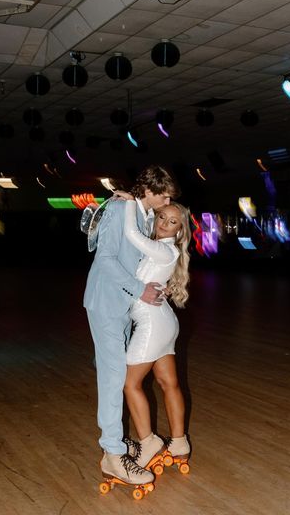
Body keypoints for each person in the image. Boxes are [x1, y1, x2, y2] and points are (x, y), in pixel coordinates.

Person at [83, 165, 180, 486]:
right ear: (149, 189)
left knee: (115, 371)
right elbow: (107, 258)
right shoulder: (121, 208)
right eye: (164, 193)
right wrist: (142, 290)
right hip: (107, 302)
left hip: (126, 307)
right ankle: (112, 454)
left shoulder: (145, 215)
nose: (167, 200)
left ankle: (120, 441)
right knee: (114, 377)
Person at [114, 191, 192, 472]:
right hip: (163, 322)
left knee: (130, 384)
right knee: (168, 383)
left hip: (152, 325)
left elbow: (132, 234)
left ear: (180, 230)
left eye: (172, 222)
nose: (164, 224)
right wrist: (143, 207)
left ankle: (148, 442)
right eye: (162, 217)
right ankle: (179, 442)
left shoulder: (163, 249)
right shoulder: (161, 248)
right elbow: (144, 230)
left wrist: (129, 204)